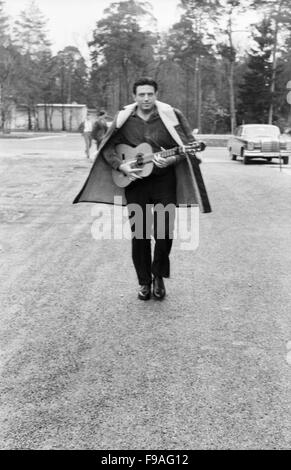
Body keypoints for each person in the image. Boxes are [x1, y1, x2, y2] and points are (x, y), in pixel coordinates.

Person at [73, 77, 211, 301]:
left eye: (150, 94)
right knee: (140, 235)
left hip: (164, 181)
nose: (146, 98)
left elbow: (189, 146)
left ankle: (158, 276)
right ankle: (144, 282)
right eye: (141, 94)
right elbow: (108, 148)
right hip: (136, 183)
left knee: (164, 233)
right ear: (134, 96)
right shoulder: (125, 117)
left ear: (156, 94)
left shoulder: (172, 115)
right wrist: (121, 165)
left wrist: (173, 159)